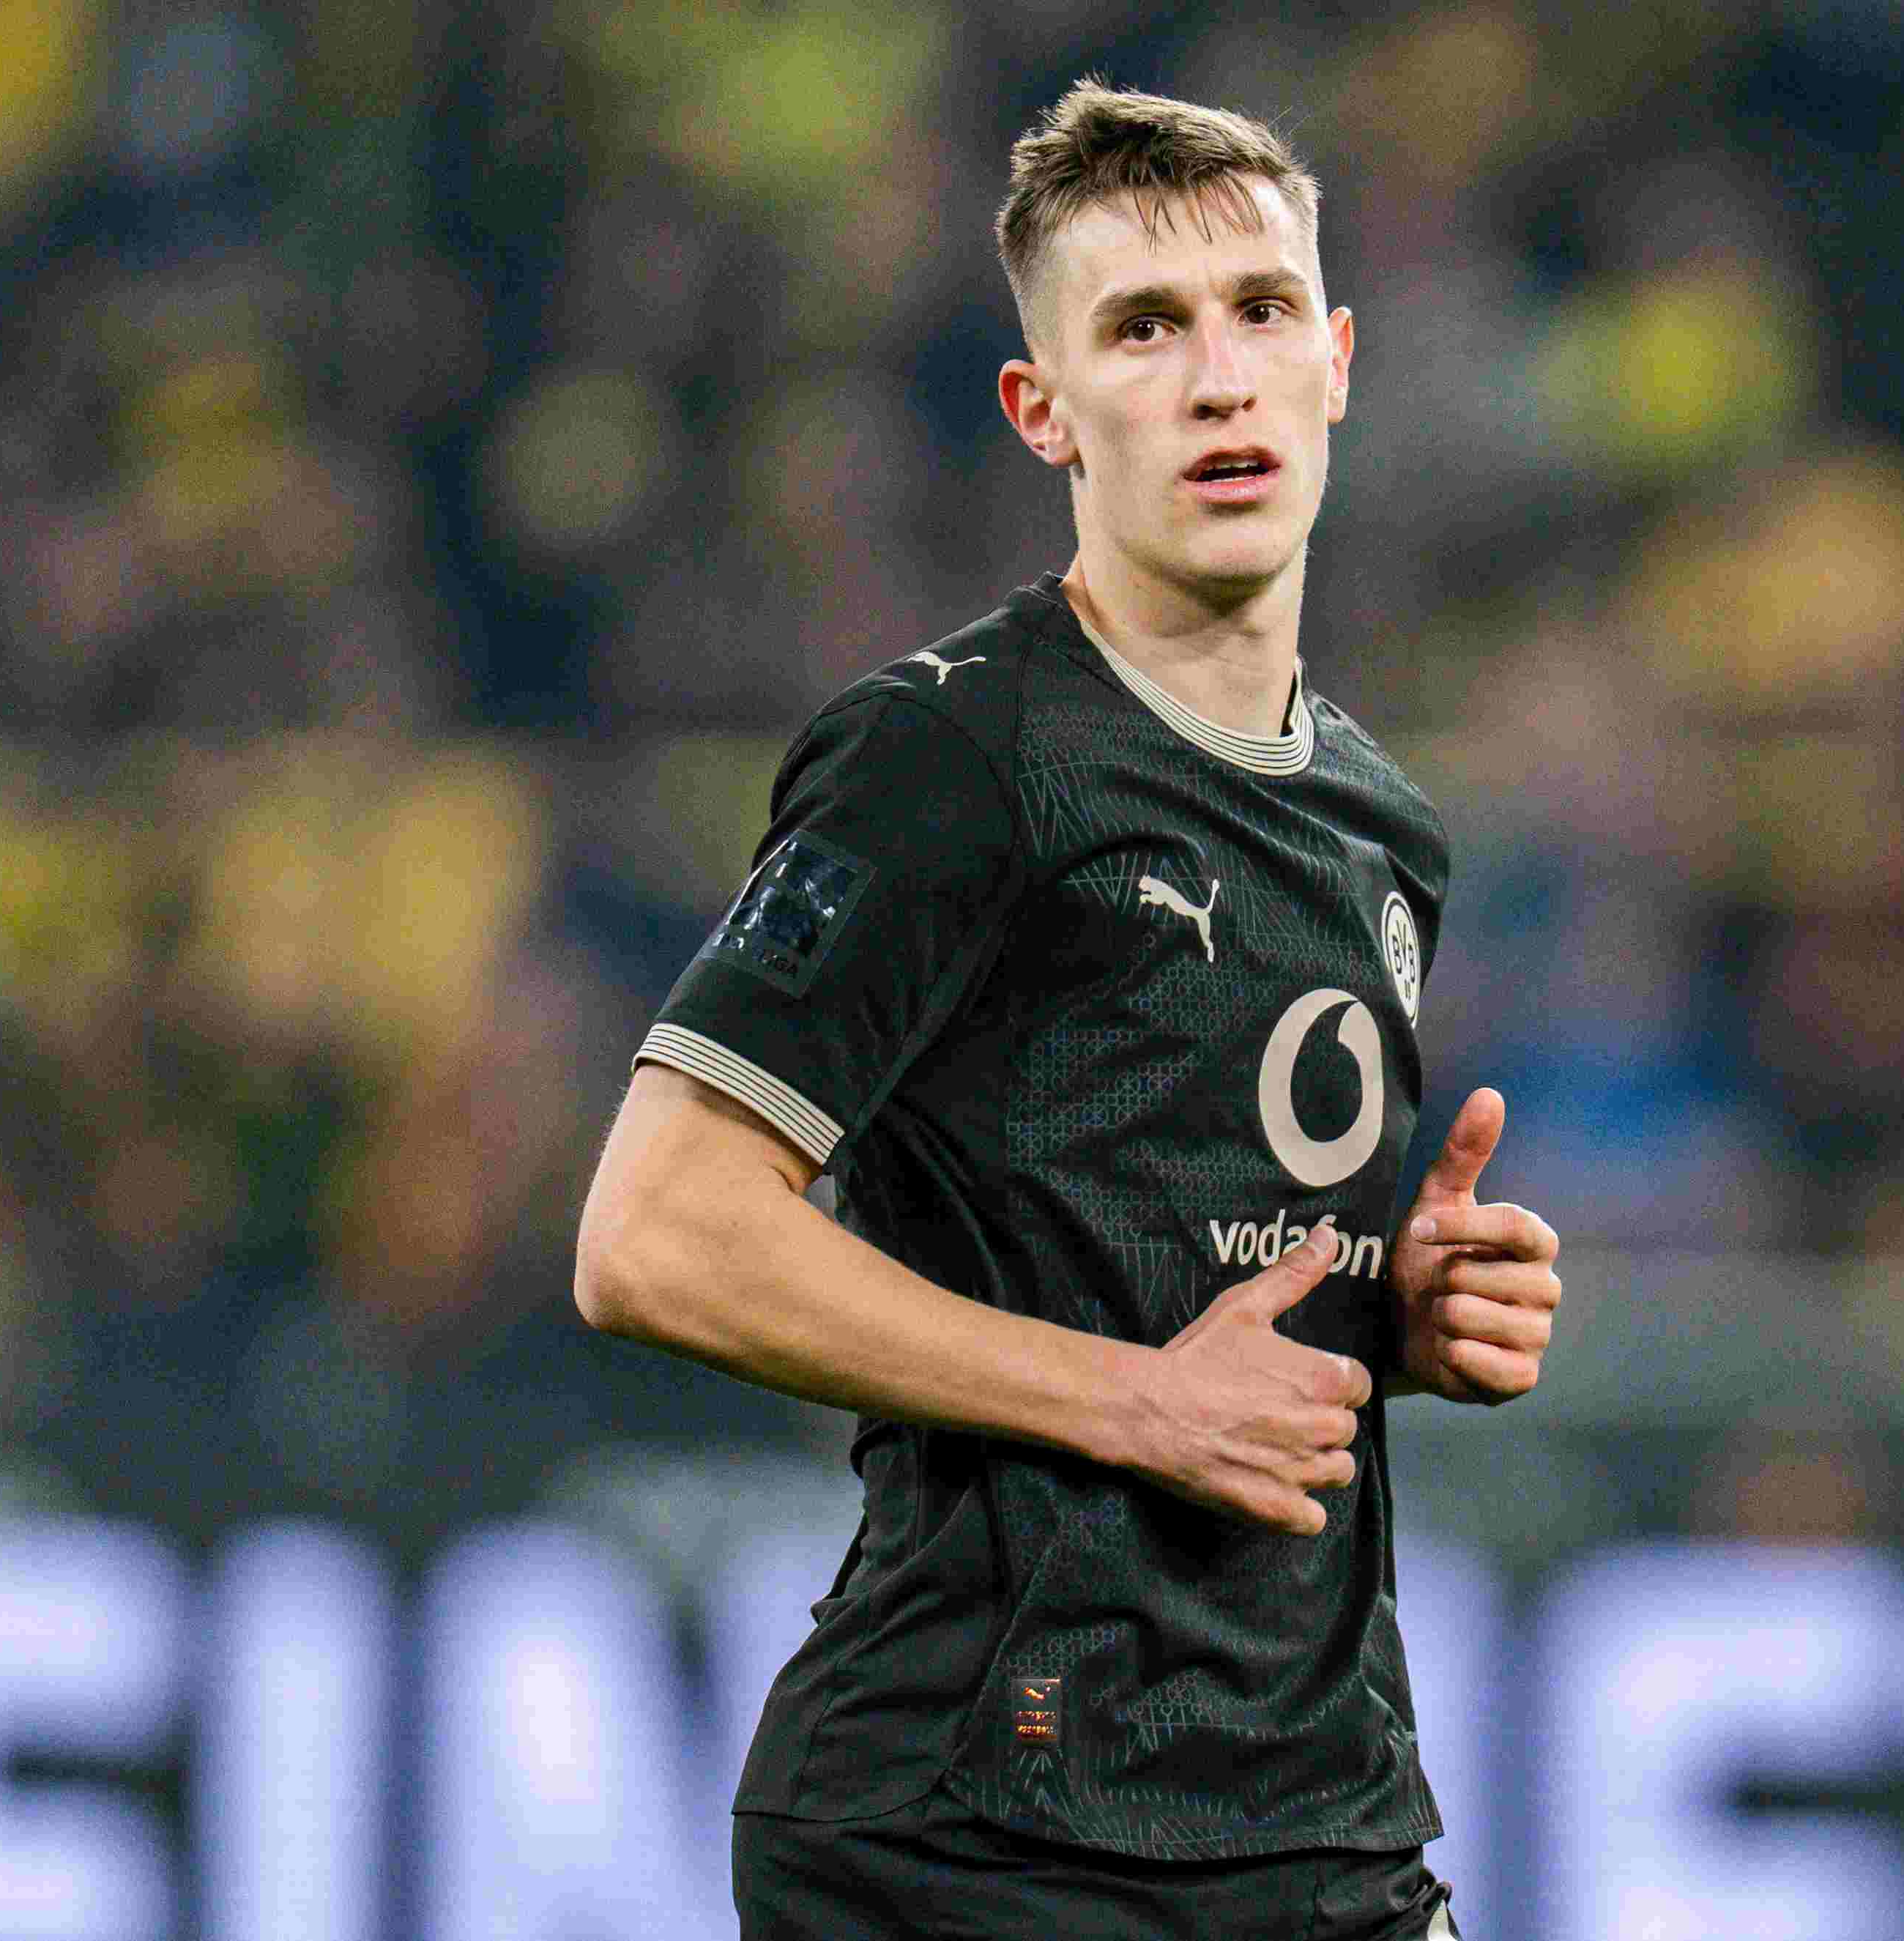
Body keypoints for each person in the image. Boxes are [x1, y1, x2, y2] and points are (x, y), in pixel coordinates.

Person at [574, 79, 1562, 1941]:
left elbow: (1175, 1260)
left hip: (1308, 1808)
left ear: (1338, 363)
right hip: (985, 1825)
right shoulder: (951, 757)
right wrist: (1136, 1402)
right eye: (1144, 329)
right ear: (1044, 410)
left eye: (1261, 310)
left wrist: (1396, 1313)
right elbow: (656, 1233)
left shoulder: (1381, 823)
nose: (1218, 379)